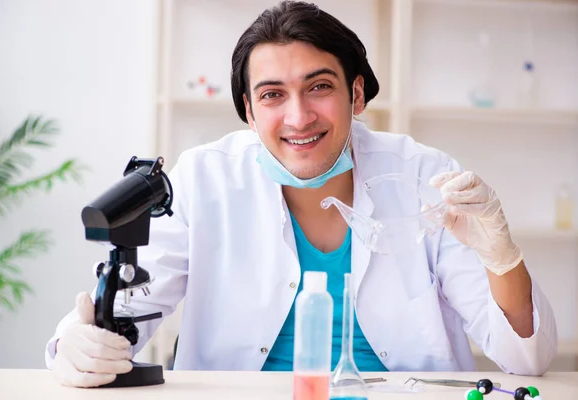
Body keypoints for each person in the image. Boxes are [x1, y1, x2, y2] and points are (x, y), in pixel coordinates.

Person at [46, 1, 557, 388]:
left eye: (319, 87)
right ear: (248, 110)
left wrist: (502, 257)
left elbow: (527, 360)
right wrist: (76, 342)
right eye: (272, 95)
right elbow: (126, 311)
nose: (298, 116)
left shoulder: (423, 175)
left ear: (356, 93)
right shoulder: (205, 179)